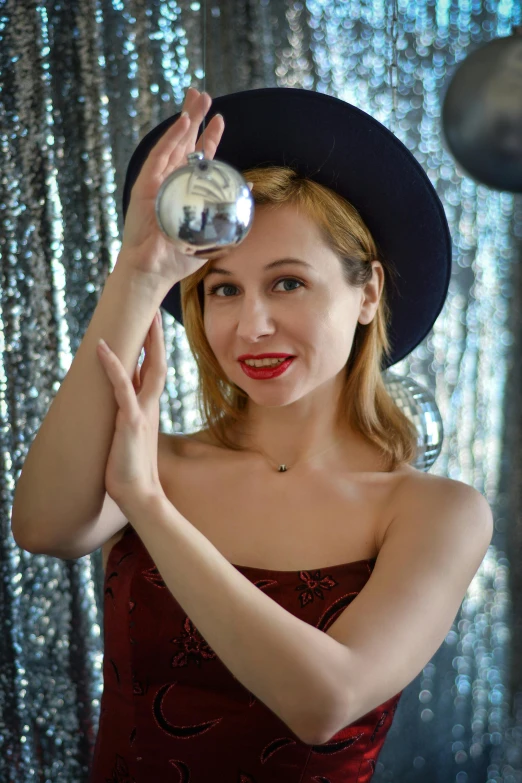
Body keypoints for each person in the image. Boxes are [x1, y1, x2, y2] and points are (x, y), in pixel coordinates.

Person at [12, 87, 493, 782]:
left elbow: (323, 701)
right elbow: (44, 527)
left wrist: (150, 506)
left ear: (367, 292)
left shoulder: (434, 512)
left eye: (288, 283)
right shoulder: (157, 459)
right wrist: (138, 273)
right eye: (223, 289)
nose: (251, 326)